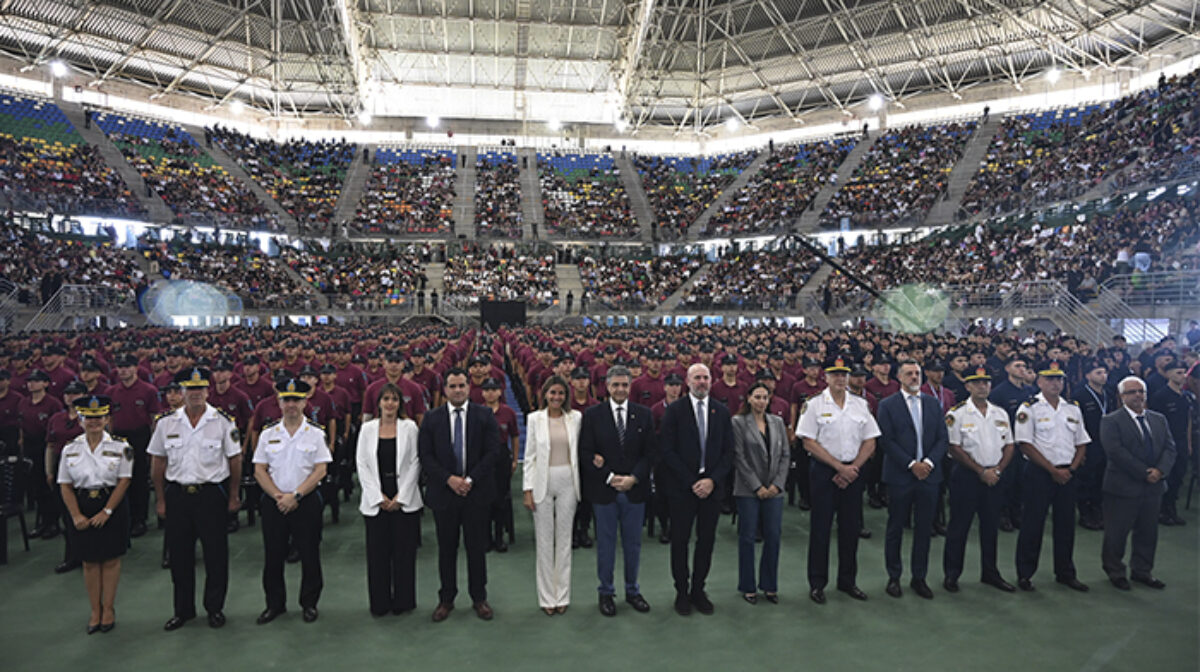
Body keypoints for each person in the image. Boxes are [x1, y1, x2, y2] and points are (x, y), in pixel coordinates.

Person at [148, 368, 243, 631]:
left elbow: (235, 460)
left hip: (211, 495)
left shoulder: (222, 421)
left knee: (215, 555)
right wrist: (160, 499)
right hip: (177, 494)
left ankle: (214, 608)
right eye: (190, 389)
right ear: (181, 392)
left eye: (200, 388)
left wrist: (234, 495)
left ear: (207, 390)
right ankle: (183, 610)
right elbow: (158, 461)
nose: (196, 394)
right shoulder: (166, 423)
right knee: (179, 557)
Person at [419, 367, 503, 622]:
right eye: (452, 386)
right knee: (447, 548)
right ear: (445, 389)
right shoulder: (431, 419)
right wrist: (449, 479)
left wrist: (469, 479)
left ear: (469, 388)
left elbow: (493, 452)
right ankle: (446, 598)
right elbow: (426, 456)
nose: (457, 390)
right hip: (444, 493)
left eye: (462, 385)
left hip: (475, 493)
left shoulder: (484, 415)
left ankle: (479, 597)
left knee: (476, 548)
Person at [796, 358, 879, 604]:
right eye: (835, 374)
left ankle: (847, 581)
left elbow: (871, 440)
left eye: (844, 374)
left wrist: (852, 468)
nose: (841, 379)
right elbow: (808, 441)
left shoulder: (860, 405)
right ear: (826, 377)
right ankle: (817, 583)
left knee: (850, 529)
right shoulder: (814, 405)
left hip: (853, 472)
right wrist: (838, 467)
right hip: (824, 472)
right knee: (820, 530)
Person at [253, 378, 332, 624]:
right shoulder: (268, 434)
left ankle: (309, 603)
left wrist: (296, 495)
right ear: (279, 402)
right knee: (273, 555)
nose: (291, 405)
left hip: (305, 501)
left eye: (296, 400)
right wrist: (278, 495)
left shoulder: (316, 434)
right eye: (286, 400)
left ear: (305, 402)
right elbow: (259, 470)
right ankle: (274, 604)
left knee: (309, 554)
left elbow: (320, 470)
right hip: (274, 501)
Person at [578, 366, 655, 617]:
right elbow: (586, 453)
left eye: (624, 385)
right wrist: (610, 477)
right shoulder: (592, 415)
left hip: (634, 490)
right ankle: (606, 592)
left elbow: (649, 453)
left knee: (633, 545)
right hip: (604, 491)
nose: (620, 389)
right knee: (606, 545)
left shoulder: (644, 415)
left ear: (630, 387)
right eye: (615, 385)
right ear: (607, 387)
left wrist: (633, 478)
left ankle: (633, 591)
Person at [660, 363, 734, 616]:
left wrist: (712, 480)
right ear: (687, 382)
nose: (701, 382)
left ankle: (698, 590)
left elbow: (729, 452)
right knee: (680, 541)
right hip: (683, 488)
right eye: (697, 378)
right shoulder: (675, 411)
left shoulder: (721, 412)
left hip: (711, 489)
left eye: (705, 378)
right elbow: (667, 450)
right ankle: (681, 591)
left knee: (706, 541)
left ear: (711, 381)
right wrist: (691, 480)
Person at [56, 395, 132, 634]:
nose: (94, 422)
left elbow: (124, 481)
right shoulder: (70, 449)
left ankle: (108, 608)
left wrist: (107, 511)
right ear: (81, 420)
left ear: (107, 419)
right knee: (89, 562)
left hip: (111, 504)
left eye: (99, 417)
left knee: (110, 560)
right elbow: (65, 484)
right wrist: (76, 515)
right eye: (89, 418)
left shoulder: (122, 447)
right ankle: (94, 610)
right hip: (81, 507)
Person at [1013, 362, 1091, 592]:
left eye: (1059, 379)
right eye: (1050, 379)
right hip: (1040, 473)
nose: (1055, 383)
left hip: (1068, 473)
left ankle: (1065, 572)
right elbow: (1025, 445)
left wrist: (1071, 470)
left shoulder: (1072, 409)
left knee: (1066, 525)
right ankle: (1025, 574)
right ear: (1039, 382)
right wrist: (1052, 470)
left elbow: (1082, 443)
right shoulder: (1029, 408)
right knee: (1033, 524)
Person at [941, 367, 1017, 593]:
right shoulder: (957, 414)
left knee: (990, 527)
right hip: (967, 477)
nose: (983, 386)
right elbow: (954, 448)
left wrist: (998, 471)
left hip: (995, 476)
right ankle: (952, 574)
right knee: (959, 527)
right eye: (977, 382)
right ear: (968, 386)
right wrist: (980, 471)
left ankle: (990, 572)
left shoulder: (1000, 413)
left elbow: (1009, 445)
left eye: (986, 382)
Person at [877, 359, 948, 599]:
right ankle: (894, 576)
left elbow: (942, 438)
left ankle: (920, 577)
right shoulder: (888, 405)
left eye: (917, 373)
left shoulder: (932, 403)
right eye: (909, 373)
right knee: (895, 527)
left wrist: (927, 464)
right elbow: (886, 441)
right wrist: (911, 464)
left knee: (924, 528)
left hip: (928, 475)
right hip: (901, 475)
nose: (914, 377)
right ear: (899, 377)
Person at [1101, 376, 1176, 590]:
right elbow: (1115, 452)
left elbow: (1170, 448)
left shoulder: (1158, 419)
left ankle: (1142, 570)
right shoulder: (1111, 421)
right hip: (1122, 486)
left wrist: (1160, 471)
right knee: (1117, 533)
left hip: (1154, 486)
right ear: (1122, 396)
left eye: (1140, 392)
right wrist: (1145, 472)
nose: (1137, 396)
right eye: (1131, 392)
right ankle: (1115, 571)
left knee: (1148, 532)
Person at [357, 382, 422, 615]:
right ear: (378, 403)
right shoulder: (367, 429)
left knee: (404, 554)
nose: (390, 404)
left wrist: (401, 497)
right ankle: (380, 603)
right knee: (377, 555)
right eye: (386, 399)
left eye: (395, 399)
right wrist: (378, 496)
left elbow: (416, 462)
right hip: (376, 501)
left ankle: (404, 602)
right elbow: (362, 464)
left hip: (404, 500)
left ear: (400, 404)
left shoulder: (410, 427)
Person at [522, 375, 582, 614]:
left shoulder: (576, 418)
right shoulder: (534, 419)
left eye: (560, 393)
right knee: (545, 542)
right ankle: (547, 598)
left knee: (564, 541)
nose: (556, 397)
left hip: (568, 481)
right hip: (542, 482)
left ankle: (563, 595)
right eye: (552, 393)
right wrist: (528, 490)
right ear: (545, 394)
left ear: (566, 396)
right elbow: (530, 457)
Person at [732, 382, 789, 604]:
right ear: (748, 398)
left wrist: (777, 484)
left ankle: (770, 585)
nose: (761, 402)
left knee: (773, 536)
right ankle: (748, 586)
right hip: (748, 489)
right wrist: (757, 486)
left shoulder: (776, 422)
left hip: (774, 489)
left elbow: (785, 455)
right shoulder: (738, 423)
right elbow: (739, 457)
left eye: (765, 398)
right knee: (747, 537)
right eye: (757, 397)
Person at [1148, 359, 1193, 526]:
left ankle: (1171, 509)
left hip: (1180, 442)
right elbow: (1154, 422)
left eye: (1184, 373)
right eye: (1178, 372)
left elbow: (1187, 420)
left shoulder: (1185, 397)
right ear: (1168, 374)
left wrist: (1188, 442)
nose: (1182, 376)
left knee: (1178, 477)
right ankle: (1162, 511)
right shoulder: (1161, 396)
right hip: (1166, 444)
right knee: (1166, 477)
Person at [1072, 358, 1115, 531]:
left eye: (1105, 372)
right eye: (1098, 372)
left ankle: (1097, 509)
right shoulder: (1079, 395)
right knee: (1086, 479)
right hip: (1087, 444)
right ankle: (1085, 513)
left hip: (1105, 442)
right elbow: (1074, 424)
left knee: (1101, 478)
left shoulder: (1108, 394)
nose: (1103, 376)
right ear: (1088, 375)